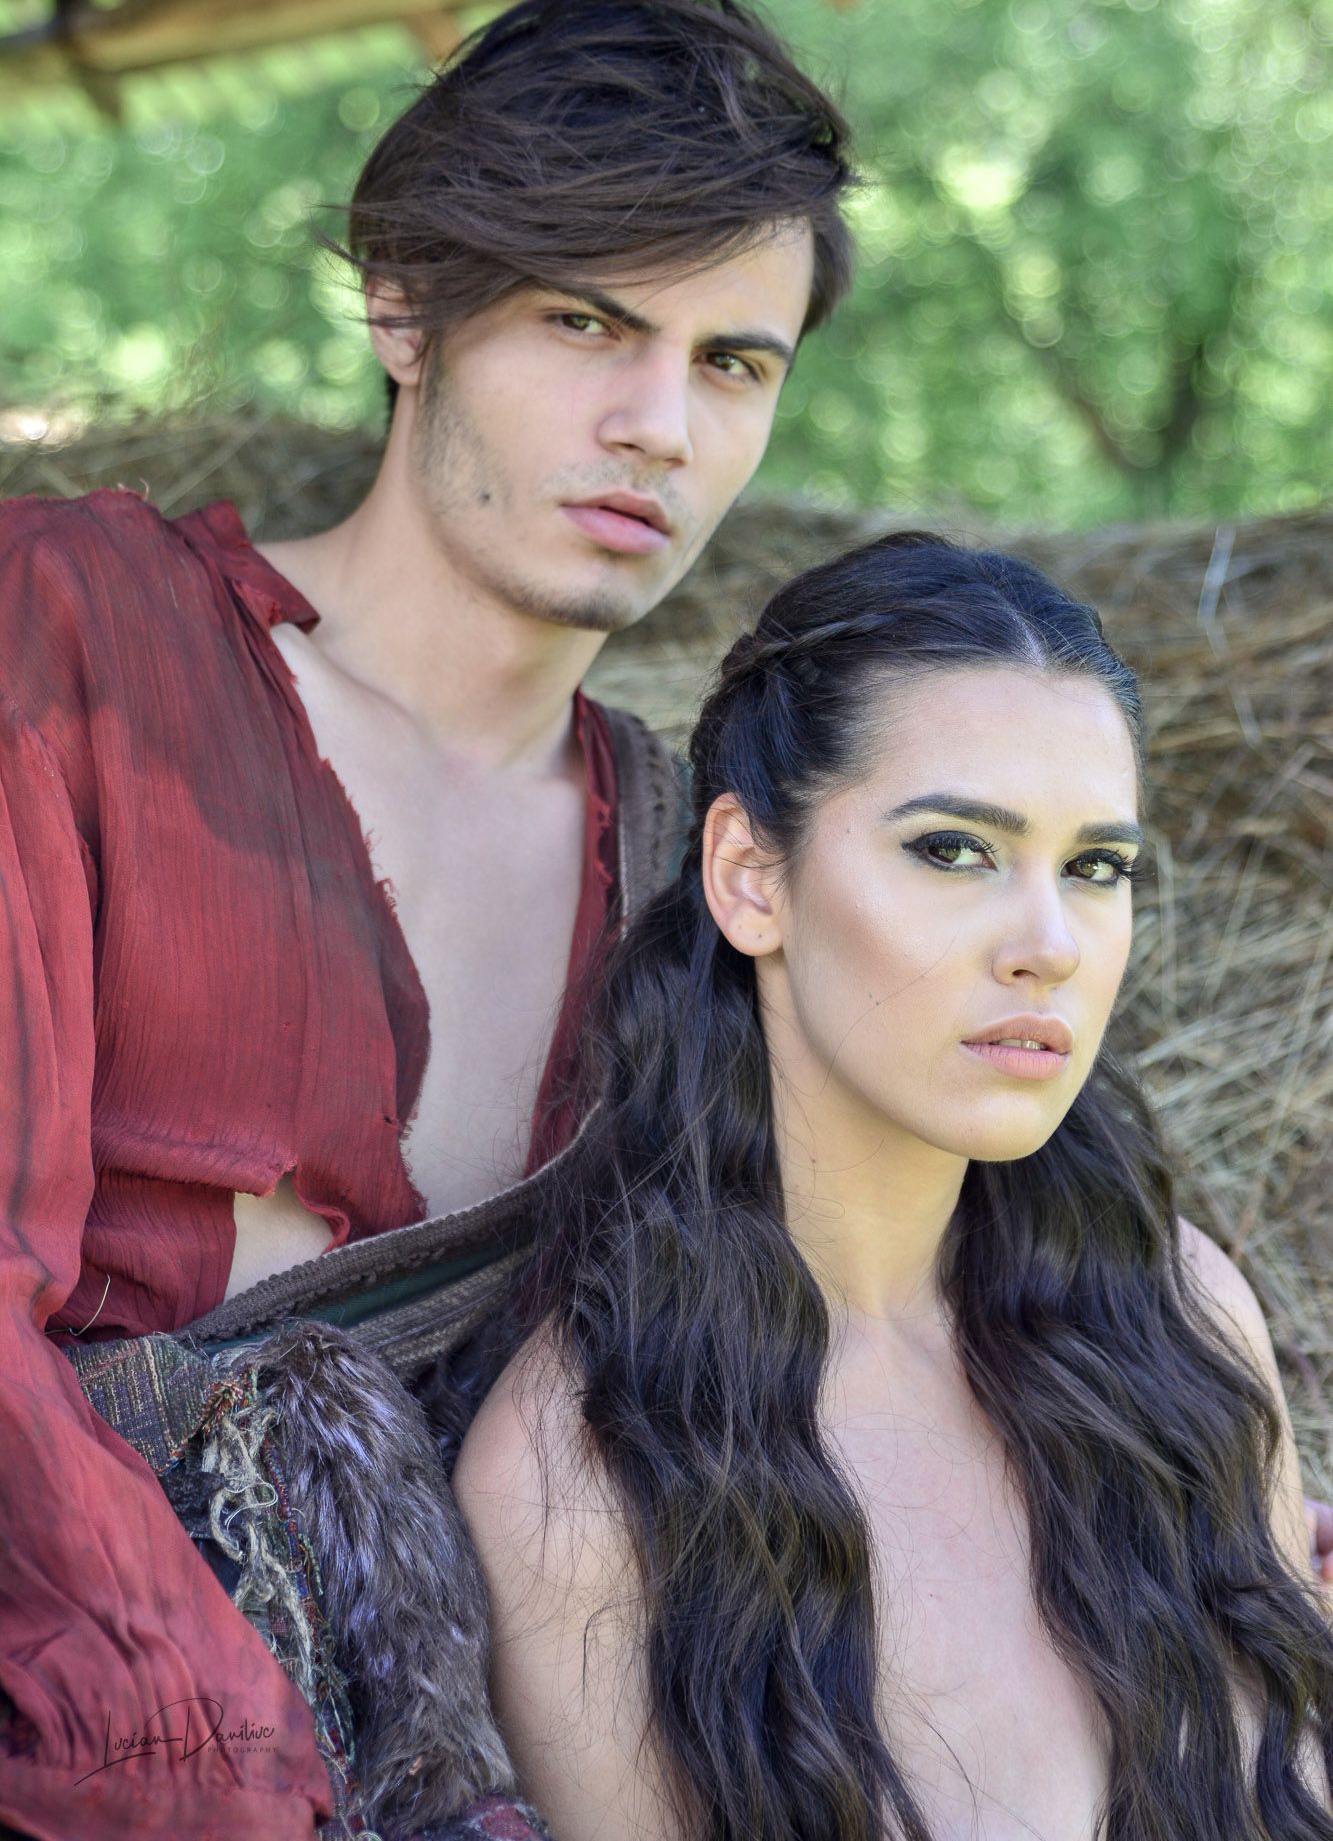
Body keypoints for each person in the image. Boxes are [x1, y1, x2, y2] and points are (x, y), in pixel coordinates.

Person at [0, 0, 854, 1841]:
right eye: (585, 322)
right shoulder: (66, 643)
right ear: (403, 306)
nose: (660, 427)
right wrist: (198, 1775)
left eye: (733, 364)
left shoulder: (700, 863)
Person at [454, 532, 1333, 1841]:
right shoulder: (579, 1474)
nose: (1049, 946)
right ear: (751, 878)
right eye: (955, 850)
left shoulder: (1179, 1321)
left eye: (1095, 867)